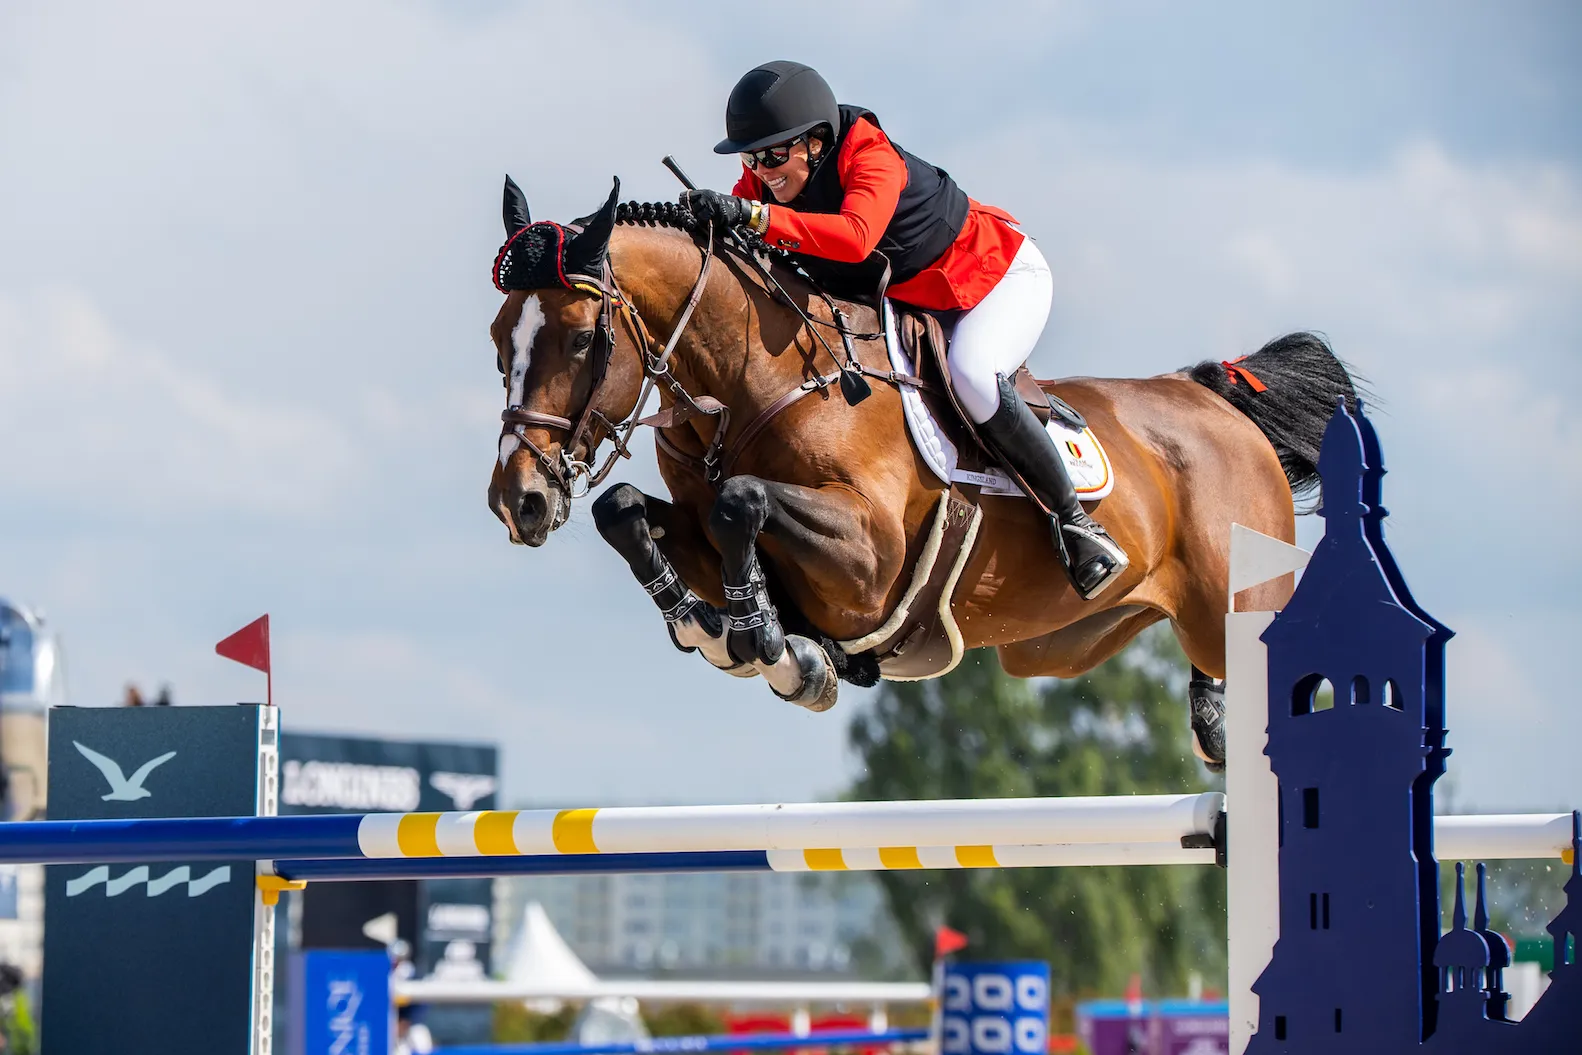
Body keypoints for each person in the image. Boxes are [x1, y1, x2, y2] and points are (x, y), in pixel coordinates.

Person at [682, 61, 1127, 599]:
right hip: (909, 302)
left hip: (993, 278)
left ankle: (1075, 521)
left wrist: (752, 217)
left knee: (973, 374)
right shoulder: (768, 177)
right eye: (752, 158)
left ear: (817, 142)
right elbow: (748, 228)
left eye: (774, 155)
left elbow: (854, 238)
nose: (762, 170)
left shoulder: (870, 155)